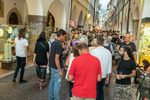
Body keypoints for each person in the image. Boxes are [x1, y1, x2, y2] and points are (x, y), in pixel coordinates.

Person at [48, 29, 66, 100]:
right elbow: (56, 58)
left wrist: (62, 53)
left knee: (52, 83)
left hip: (52, 66)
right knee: (57, 85)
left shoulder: (53, 42)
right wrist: (60, 70)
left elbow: (54, 54)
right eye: (64, 36)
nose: (64, 38)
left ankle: (50, 97)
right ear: (61, 36)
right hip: (57, 67)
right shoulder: (58, 44)